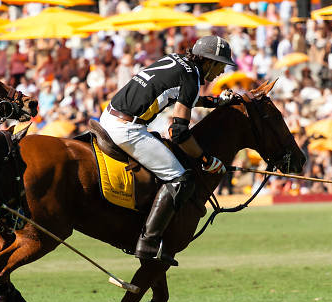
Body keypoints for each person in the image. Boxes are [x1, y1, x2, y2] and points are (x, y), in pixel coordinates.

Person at [99, 35, 235, 265]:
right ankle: (148, 244)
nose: (221, 72)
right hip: (127, 129)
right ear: (209, 62)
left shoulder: (176, 60)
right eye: (221, 65)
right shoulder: (191, 76)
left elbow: (181, 96)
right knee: (180, 178)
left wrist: (215, 102)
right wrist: (205, 158)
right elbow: (179, 133)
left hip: (108, 116)